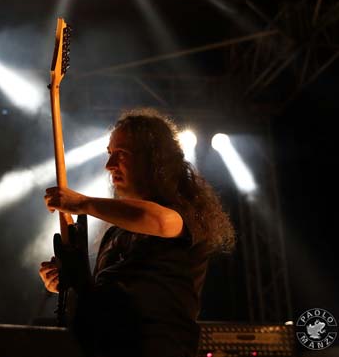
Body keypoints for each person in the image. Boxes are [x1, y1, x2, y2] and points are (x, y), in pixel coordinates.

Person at [39, 108, 235, 357]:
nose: (109, 165)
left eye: (121, 154)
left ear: (153, 159)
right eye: (109, 153)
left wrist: (82, 203)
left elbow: (160, 221)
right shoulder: (115, 234)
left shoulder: (183, 215)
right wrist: (69, 282)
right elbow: (101, 299)